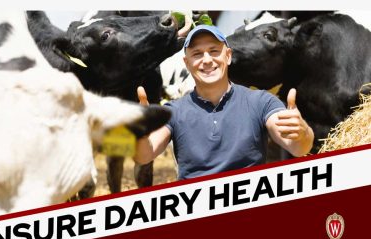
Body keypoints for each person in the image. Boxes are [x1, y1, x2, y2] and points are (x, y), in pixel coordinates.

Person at [134, 25, 314, 180]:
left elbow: (298, 148)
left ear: (228, 56)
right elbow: (144, 155)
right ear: (187, 63)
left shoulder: (260, 102)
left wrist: (303, 132)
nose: (207, 60)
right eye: (197, 54)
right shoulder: (174, 111)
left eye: (214, 51)